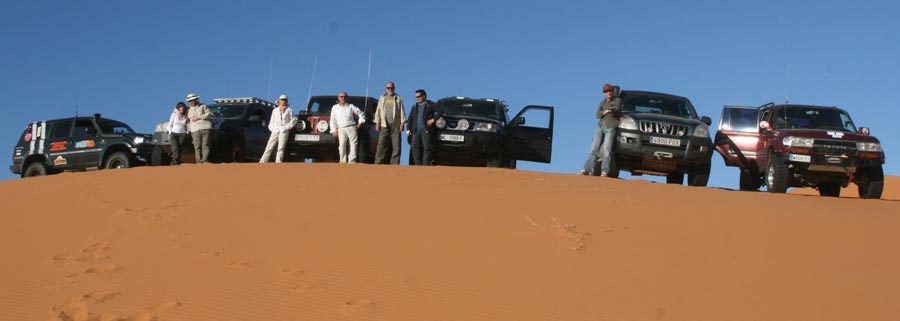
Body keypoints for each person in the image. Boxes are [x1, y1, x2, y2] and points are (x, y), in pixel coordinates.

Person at [580, 83, 621, 176]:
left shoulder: (617, 100)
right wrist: (605, 111)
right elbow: (597, 115)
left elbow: (615, 110)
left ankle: (605, 171)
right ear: (604, 93)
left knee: (607, 149)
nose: (609, 93)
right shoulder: (602, 102)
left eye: (610, 91)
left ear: (612, 92)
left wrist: (606, 111)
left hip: (611, 126)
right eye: (606, 91)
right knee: (593, 149)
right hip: (601, 125)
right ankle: (586, 169)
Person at [406, 89, 443, 166]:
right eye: (416, 97)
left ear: (424, 96)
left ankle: (425, 166)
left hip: (426, 130)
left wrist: (433, 119)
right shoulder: (415, 106)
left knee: (427, 148)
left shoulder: (430, 104)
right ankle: (418, 165)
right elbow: (410, 118)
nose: (417, 98)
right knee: (414, 148)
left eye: (419, 96)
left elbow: (441, 110)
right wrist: (408, 129)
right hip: (416, 131)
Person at [373, 81, 406, 164]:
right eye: (388, 88)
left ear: (394, 88)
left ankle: (394, 164)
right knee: (381, 145)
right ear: (386, 88)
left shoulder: (398, 97)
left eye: (391, 88)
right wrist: (377, 123)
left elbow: (402, 111)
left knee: (396, 146)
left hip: (396, 125)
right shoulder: (382, 97)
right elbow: (378, 110)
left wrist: (402, 123)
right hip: (384, 125)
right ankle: (378, 163)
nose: (390, 89)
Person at [329, 92, 366, 163]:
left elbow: (361, 113)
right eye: (341, 96)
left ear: (347, 98)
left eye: (344, 97)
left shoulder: (350, 106)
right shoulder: (335, 107)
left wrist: (360, 123)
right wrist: (333, 130)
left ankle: (352, 161)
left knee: (353, 144)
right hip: (341, 128)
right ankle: (342, 161)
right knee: (342, 145)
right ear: (338, 98)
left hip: (351, 127)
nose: (343, 98)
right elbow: (333, 119)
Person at [260, 94, 296, 163]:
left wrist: (286, 128)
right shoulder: (275, 111)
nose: (283, 101)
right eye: (282, 100)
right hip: (275, 131)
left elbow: (293, 121)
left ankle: (278, 162)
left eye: (285, 100)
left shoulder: (289, 110)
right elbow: (271, 122)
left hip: (284, 131)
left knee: (281, 147)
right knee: (269, 146)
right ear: (279, 101)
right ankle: (262, 162)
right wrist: (273, 129)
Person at [186, 93, 212, 163]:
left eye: (194, 100)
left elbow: (209, 114)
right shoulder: (187, 109)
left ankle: (205, 160)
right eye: (190, 100)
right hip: (194, 129)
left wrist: (198, 118)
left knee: (205, 145)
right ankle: (199, 161)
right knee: (197, 146)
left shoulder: (203, 106)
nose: (192, 101)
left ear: (197, 99)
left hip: (206, 127)